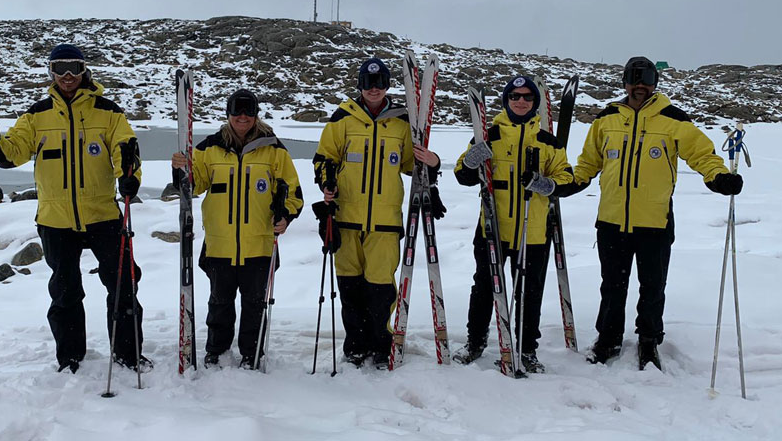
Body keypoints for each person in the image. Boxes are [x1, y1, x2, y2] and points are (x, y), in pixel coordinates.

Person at [0, 44, 146, 374]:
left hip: (103, 215)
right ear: (50, 72)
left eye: (73, 68)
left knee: (122, 284)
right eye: (60, 68)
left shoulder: (108, 112)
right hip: (55, 220)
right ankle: (70, 358)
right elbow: (10, 154)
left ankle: (128, 354)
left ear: (84, 71)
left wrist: (129, 178)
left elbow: (126, 148)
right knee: (65, 293)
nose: (67, 76)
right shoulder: (37, 115)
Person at [567, 56, 743, 370]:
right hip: (611, 220)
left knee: (653, 285)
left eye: (646, 78)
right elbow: (588, 163)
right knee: (612, 285)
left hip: (655, 221)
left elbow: (701, 153)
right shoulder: (606, 119)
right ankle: (608, 339)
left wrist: (717, 176)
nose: (640, 85)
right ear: (624, 82)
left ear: (654, 82)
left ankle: (649, 341)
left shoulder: (672, 118)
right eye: (634, 78)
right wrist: (571, 182)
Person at [313, 57, 442, 369]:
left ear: (387, 85)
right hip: (345, 218)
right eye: (369, 83)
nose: (374, 89)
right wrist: (326, 182)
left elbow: (413, 165)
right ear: (360, 85)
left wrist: (433, 162)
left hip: (384, 222)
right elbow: (324, 158)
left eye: (380, 82)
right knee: (350, 286)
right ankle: (355, 346)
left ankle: (380, 345)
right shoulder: (342, 119)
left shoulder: (401, 122)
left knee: (381, 288)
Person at [171, 88, 303, 369]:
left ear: (256, 114)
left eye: (248, 111)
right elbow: (195, 186)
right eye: (237, 111)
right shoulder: (209, 148)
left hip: (260, 243)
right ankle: (217, 349)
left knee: (255, 303)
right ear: (228, 113)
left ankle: (251, 352)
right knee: (220, 302)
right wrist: (181, 170)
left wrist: (286, 215)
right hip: (220, 243)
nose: (242, 117)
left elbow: (293, 192)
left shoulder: (274, 149)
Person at [453, 76, 573, 373]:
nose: (521, 101)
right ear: (506, 100)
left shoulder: (547, 139)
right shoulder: (489, 134)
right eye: (515, 96)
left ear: (535, 103)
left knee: (529, 293)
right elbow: (462, 174)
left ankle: (526, 348)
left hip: (533, 231)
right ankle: (475, 341)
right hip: (493, 229)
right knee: (484, 287)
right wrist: (471, 160)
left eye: (527, 97)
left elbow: (566, 178)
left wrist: (545, 184)